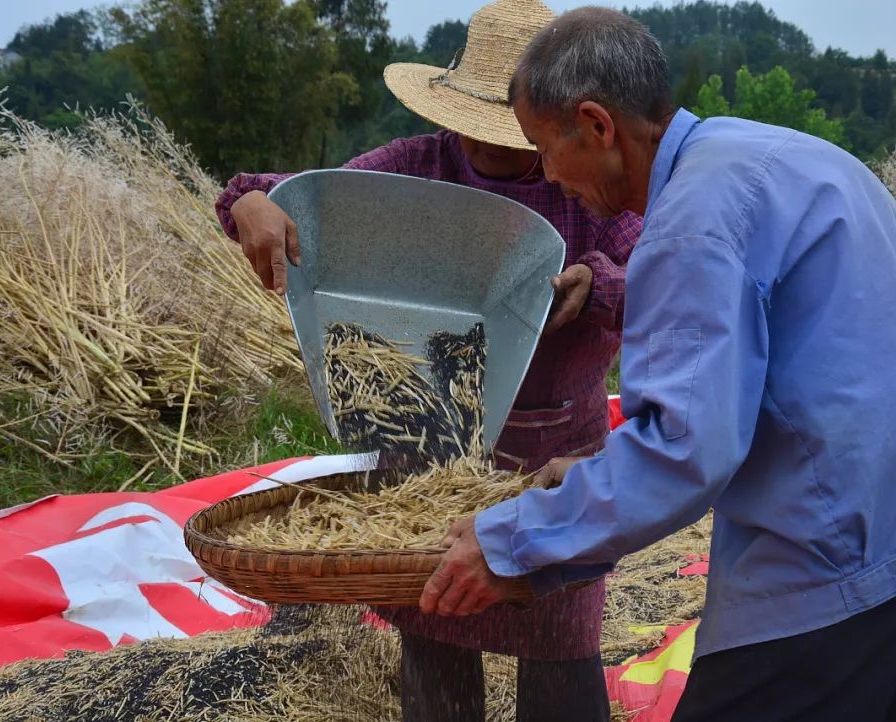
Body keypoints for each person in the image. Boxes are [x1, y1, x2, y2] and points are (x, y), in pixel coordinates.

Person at [419, 8, 896, 722]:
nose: (547, 173)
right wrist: (601, 471)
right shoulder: (771, 153)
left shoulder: (690, 224)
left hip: (840, 542)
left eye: (544, 148)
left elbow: (684, 451)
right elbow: (781, 374)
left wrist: (508, 542)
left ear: (597, 125)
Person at [214, 2, 641, 720]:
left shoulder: (583, 182)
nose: (490, 146)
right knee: (438, 630)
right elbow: (310, 203)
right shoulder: (417, 169)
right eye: (476, 127)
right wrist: (250, 201)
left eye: (512, 134)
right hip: (426, 464)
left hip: (551, 470)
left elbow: (665, 275)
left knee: (560, 648)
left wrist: (600, 285)